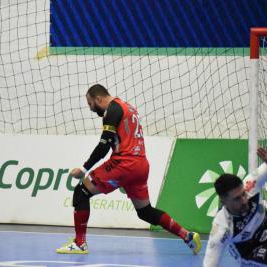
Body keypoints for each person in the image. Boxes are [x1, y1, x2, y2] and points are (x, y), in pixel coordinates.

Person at [56, 84, 202, 255]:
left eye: (90, 104)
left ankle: (80, 243)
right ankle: (188, 236)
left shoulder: (113, 110)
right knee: (145, 212)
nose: (90, 108)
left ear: (98, 99)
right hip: (141, 164)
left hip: (124, 163)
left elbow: (104, 145)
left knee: (81, 192)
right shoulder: (129, 108)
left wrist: (83, 169)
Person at [204, 147, 267, 267]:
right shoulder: (222, 226)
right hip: (250, 252)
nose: (244, 200)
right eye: (237, 198)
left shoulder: (250, 185)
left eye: (243, 194)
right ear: (223, 200)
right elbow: (210, 263)